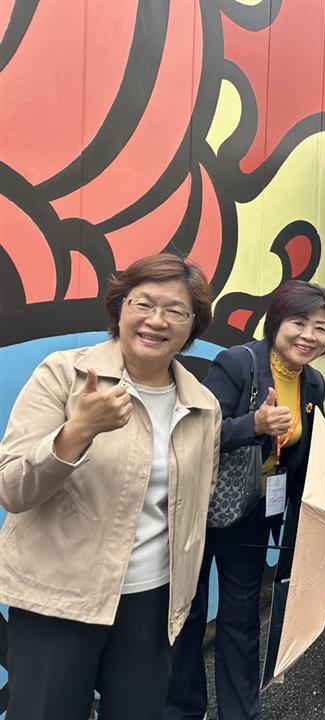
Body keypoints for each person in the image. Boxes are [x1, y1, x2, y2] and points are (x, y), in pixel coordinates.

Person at [0, 254, 219, 720]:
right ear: (119, 307)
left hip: (151, 602)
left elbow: (194, 505)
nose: (156, 320)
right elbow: (12, 489)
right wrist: (77, 432)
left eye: (176, 310)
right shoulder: (64, 374)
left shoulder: (203, 406)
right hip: (58, 598)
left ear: (192, 327)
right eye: (143, 303)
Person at [165, 280, 325, 720]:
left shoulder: (313, 383)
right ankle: (184, 709)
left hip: (254, 514)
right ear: (276, 321)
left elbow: (300, 453)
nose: (308, 336)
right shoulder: (238, 363)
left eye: (320, 328)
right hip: (203, 511)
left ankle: (241, 712)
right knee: (188, 615)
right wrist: (253, 426)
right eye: (299, 322)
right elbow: (196, 435)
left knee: (241, 620)